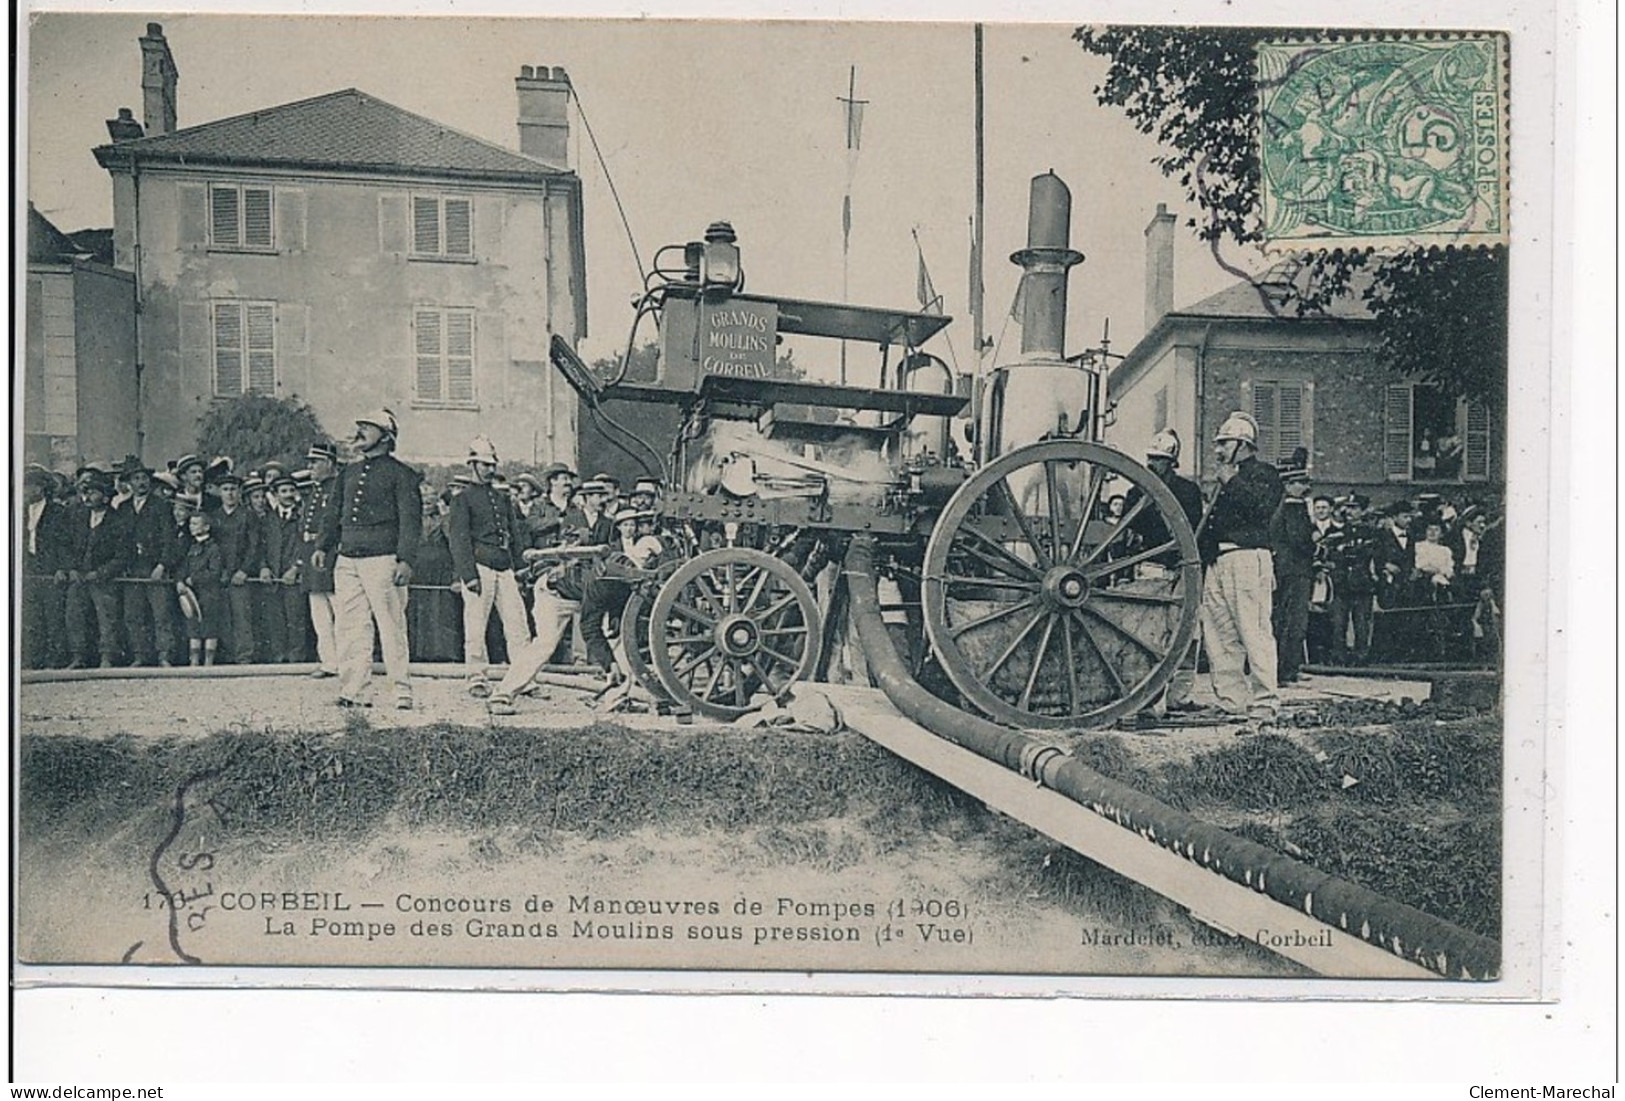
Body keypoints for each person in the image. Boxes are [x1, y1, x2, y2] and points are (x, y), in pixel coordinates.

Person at [314, 409, 422, 709]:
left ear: (386, 436)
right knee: (350, 625)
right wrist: (323, 545)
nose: (359, 430)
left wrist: (406, 560)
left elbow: (410, 522)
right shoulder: (348, 473)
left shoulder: (402, 475)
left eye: (367, 427)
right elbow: (333, 514)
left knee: (391, 626)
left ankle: (401, 690)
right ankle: (354, 690)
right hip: (347, 559)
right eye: (359, 425)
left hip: (383, 560)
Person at [1196, 411, 1283, 733]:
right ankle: (1232, 702)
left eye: (1224, 443)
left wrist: (1231, 480)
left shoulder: (1265, 474)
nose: (1218, 449)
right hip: (1219, 561)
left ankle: (1265, 704)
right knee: (1220, 635)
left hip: (1249, 558)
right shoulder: (1225, 477)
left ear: (1242, 443)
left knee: (1254, 631)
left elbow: (1261, 508)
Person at [1125, 429, 1205, 717]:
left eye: (1158, 459)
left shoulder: (1188, 491)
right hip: (1152, 567)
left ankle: (1179, 696)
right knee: (1151, 633)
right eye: (1150, 458)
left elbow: (1194, 529)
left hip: (1182, 568)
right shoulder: (1136, 491)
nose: (1152, 464)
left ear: (1171, 462)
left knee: (1187, 632)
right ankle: (1148, 697)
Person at [448, 436, 532, 697]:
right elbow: (458, 539)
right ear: (472, 465)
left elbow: (514, 534)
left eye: (491, 465)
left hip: (503, 566)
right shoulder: (462, 499)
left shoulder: (502, 498)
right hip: (480, 566)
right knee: (475, 625)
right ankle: (476, 677)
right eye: (484, 465)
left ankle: (523, 677)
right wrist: (468, 575)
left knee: (518, 624)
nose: (490, 470)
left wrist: (519, 567)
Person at [578, 506, 666, 676]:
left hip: (632, 592)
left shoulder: (644, 543)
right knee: (611, 633)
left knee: (627, 636)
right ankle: (615, 668)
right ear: (619, 527)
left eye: (633, 525)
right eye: (625, 525)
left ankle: (628, 673)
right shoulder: (611, 550)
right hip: (610, 591)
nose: (629, 529)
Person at [116, 458, 180, 667]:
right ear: (129, 483)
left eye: (144, 478)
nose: (141, 482)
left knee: (161, 613)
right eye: (136, 478)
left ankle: (164, 655)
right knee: (133, 615)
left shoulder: (161, 506)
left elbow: (169, 539)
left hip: (155, 568)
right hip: (132, 569)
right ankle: (140, 655)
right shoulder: (124, 508)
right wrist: (123, 565)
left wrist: (162, 565)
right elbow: (119, 541)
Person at [62, 469, 127, 668]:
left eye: (93, 492)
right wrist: (71, 568)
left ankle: (107, 657)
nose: (87, 496)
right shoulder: (78, 517)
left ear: (106, 497)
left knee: (107, 618)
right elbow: (67, 545)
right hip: (79, 577)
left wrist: (100, 573)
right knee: (74, 616)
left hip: (103, 579)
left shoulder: (117, 521)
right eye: (86, 492)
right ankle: (78, 657)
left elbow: (122, 556)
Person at [1268, 450, 1315, 684]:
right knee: (1294, 621)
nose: (1302, 487)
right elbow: (1300, 541)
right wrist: (1317, 547)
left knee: (1285, 619)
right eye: (1298, 482)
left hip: (1285, 569)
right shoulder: (1294, 507)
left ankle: (1286, 668)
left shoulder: (1282, 508)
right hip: (1296, 570)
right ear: (1288, 485)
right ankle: (1286, 670)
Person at [210, 471, 264, 663]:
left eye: (233, 489)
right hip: (220, 575)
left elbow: (254, 546)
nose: (230, 493)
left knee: (242, 616)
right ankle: (227, 656)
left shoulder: (248, 516)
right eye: (225, 490)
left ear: (239, 492)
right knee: (223, 616)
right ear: (220, 493)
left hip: (241, 575)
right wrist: (219, 571)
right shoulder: (214, 517)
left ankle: (244, 657)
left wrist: (244, 570)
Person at [299, 442, 341, 678]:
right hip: (311, 554)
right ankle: (329, 661)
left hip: (330, 555)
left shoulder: (337, 488)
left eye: (315, 462)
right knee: (320, 615)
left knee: (340, 612)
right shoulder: (316, 490)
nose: (311, 466)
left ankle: (343, 662)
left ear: (329, 463)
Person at [22, 467, 70, 669]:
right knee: (32, 616)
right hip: (30, 568)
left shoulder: (57, 512)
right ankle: (34, 658)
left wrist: (62, 568)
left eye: (29, 486)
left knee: (53, 616)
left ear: (41, 488)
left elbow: (65, 543)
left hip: (51, 569)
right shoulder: (20, 511)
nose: (25, 491)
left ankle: (56, 658)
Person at [266, 471, 311, 663]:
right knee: (276, 619)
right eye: (283, 491)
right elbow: (261, 546)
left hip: (294, 577)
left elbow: (307, 546)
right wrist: (264, 568)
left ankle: (296, 657)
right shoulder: (269, 519)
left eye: (291, 490)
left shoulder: (303, 518)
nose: (288, 494)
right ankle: (279, 656)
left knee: (296, 618)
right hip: (274, 576)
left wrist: (296, 568)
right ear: (275, 495)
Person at [178, 510, 224, 667]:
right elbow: (183, 567)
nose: (192, 527)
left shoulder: (213, 548)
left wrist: (195, 579)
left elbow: (215, 571)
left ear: (207, 527)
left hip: (209, 593)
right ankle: (194, 661)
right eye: (191, 523)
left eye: (196, 524)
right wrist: (180, 581)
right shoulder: (190, 547)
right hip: (192, 593)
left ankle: (209, 661)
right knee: (193, 625)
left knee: (209, 626)